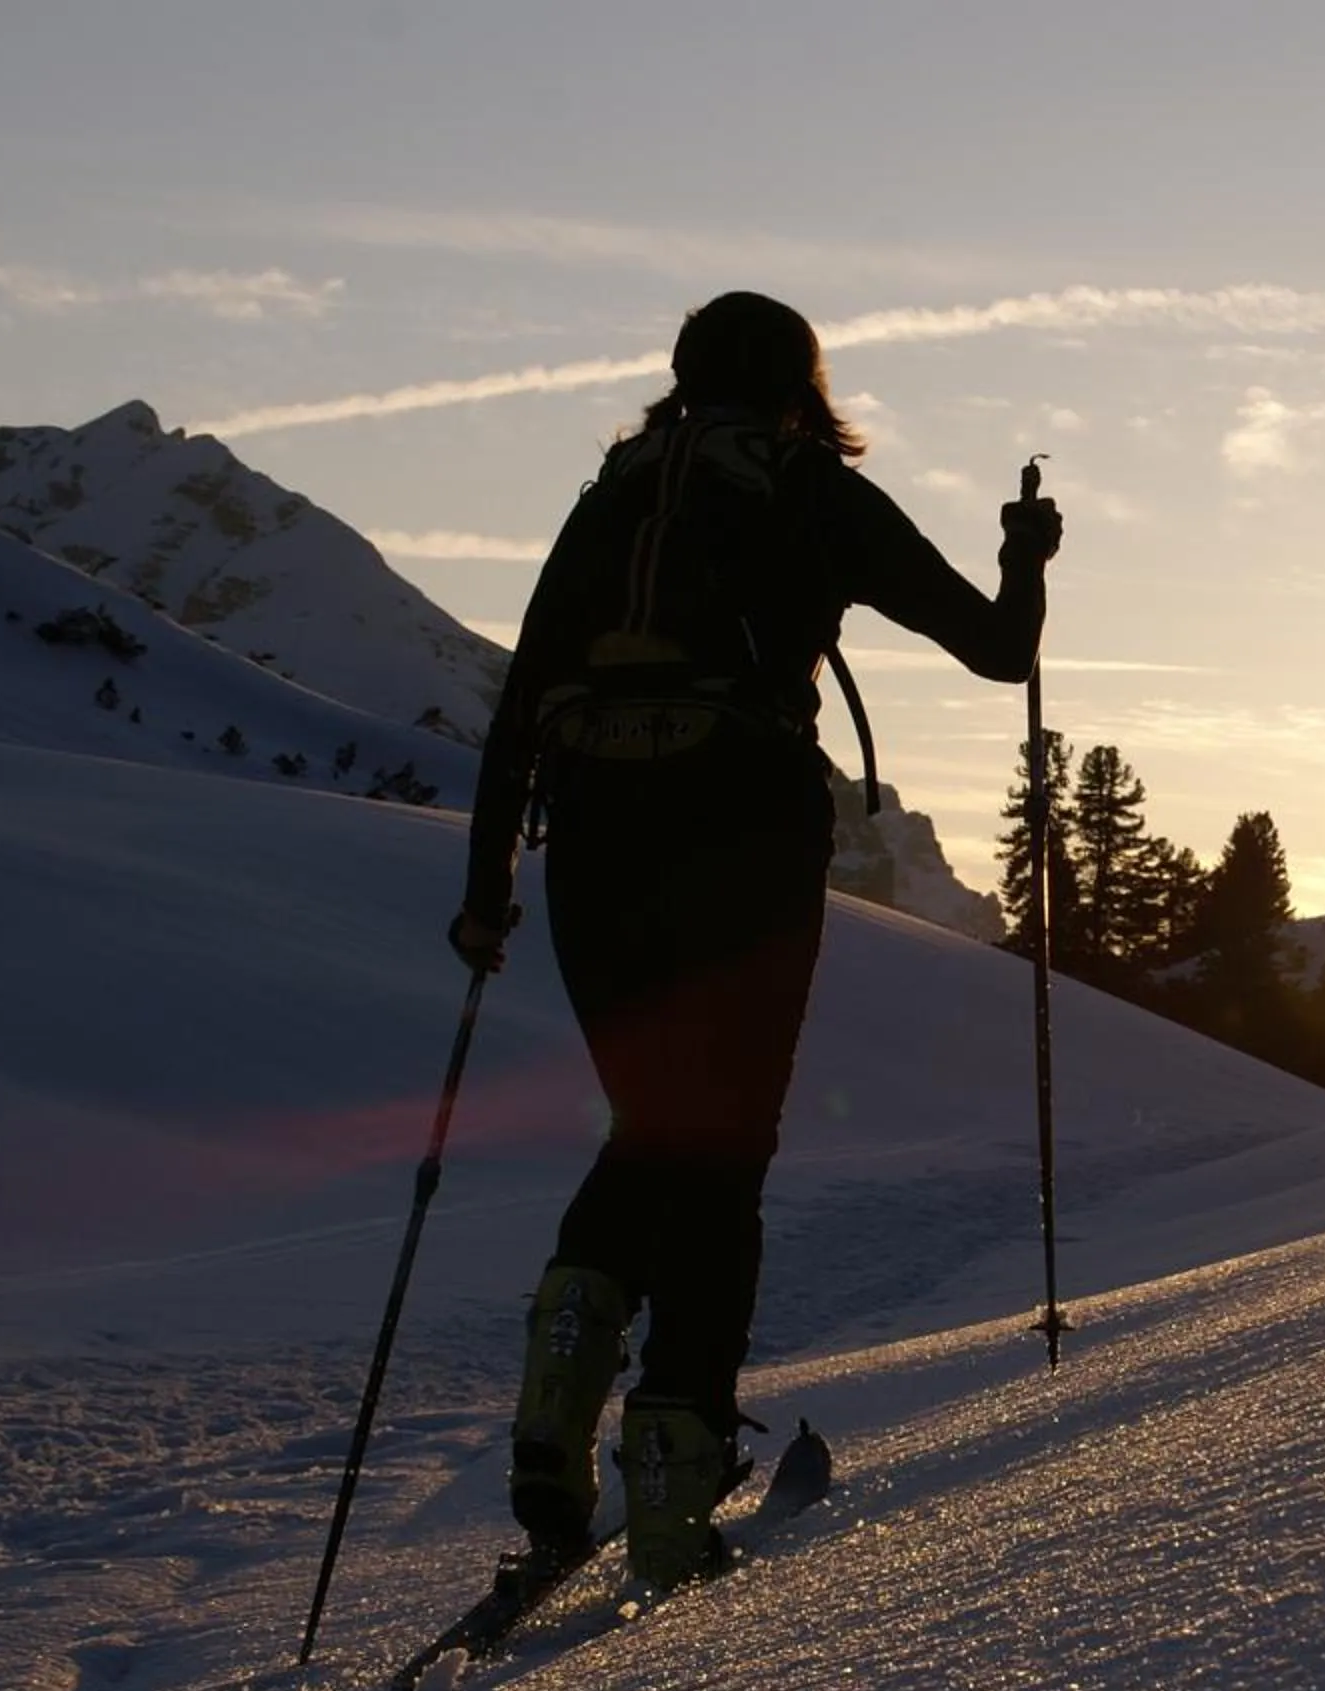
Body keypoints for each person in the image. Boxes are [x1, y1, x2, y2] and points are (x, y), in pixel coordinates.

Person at [450, 292, 1062, 1591]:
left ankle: (554, 1415)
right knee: (724, 1145)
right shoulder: (809, 487)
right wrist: (1027, 555)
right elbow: (999, 651)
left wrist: (485, 886)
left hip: (592, 822)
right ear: (804, 388)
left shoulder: (617, 492)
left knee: (648, 1120)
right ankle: (673, 1484)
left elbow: (523, 696)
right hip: (739, 818)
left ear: (680, 381)